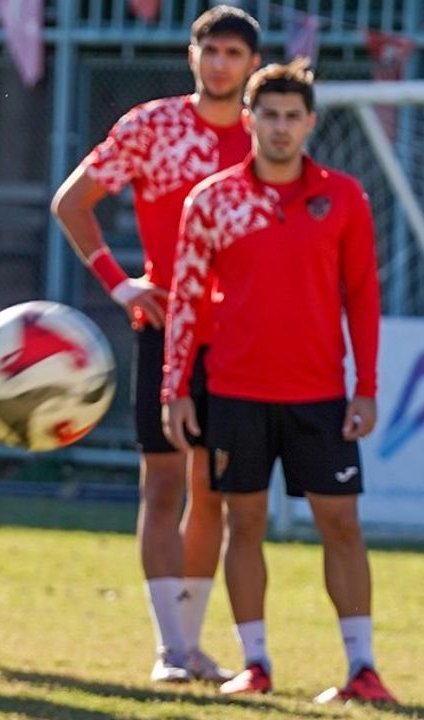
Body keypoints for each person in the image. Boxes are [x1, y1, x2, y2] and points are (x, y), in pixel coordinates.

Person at [163, 59, 397, 704]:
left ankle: (363, 669)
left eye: (294, 116)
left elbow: (362, 295)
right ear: (250, 120)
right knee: (245, 524)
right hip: (234, 391)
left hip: (320, 395)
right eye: (270, 115)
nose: (282, 127)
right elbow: (185, 299)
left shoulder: (343, 196)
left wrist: (367, 385)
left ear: (311, 123)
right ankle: (256, 663)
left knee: (342, 524)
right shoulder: (212, 199)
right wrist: (174, 388)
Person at [50, 4, 259, 683]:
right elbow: (71, 202)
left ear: (253, 63)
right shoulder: (153, 125)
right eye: (211, 49)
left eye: (234, 52)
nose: (222, 62)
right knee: (164, 481)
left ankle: (194, 644)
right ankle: (170, 649)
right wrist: (120, 286)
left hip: (243, 339)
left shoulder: (270, 130)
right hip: (167, 330)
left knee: (216, 489)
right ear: (191, 55)